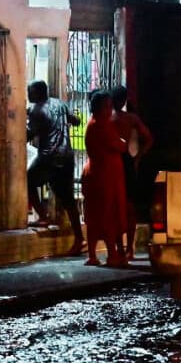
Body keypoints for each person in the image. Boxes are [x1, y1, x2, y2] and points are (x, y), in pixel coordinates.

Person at [26, 80, 85, 255]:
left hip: (49, 156)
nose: (29, 95)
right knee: (68, 200)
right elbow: (75, 121)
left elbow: (28, 134)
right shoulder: (59, 103)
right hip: (67, 155)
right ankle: (79, 239)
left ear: (37, 93)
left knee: (28, 181)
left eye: (30, 92)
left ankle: (43, 216)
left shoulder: (37, 110)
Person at [81, 90, 127, 267]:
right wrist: (122, 140)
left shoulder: (94, 124)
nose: (109, 111)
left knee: (96, 215)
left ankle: (94, 255)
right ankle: (112, 254)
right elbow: (121, 145)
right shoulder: (101, 126)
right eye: (106, 107)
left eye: (110, 107)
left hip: (100, 174)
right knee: (107, 214)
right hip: (104, 177)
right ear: (97, 108)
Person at [111, 86, 154, 260]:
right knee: (128, 209)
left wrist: (137, 158)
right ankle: (127, 248)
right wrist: (138, 158)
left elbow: (148, 138)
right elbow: (149, 138)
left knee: (121, 207)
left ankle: (123, 248)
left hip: (119, 161)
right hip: (126, 161)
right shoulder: (129, 118)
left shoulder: (113, 118)